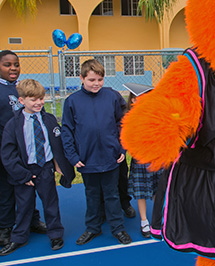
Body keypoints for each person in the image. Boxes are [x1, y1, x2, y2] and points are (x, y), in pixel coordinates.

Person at [61, 59, 132, 246]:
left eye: (100, 79)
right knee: (91, 195)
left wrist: (121, 148)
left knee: (112, 194)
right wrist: (73, 156)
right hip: (87, 160)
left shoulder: (112, 96)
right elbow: (67, 131)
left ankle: (118, 228)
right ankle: (93, 227)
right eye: (92, 79)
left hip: (111, 158)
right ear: (82, 78)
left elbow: (122, 123)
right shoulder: (72, 101)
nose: (96, 84)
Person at [0, 79, 75, 255]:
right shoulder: (13, 124)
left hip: (45, 168)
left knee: (51, 202)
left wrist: (59, 165)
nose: (39, 102)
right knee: (24, 205)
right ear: (21, 101)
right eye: (33, 99)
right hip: (25, 172)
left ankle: (55, 233)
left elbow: (57, 145)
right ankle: (19, 237)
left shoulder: (48, 120)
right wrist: (22, 175)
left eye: (41, 98)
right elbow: (8, 153)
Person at [0, 50, 46, 246]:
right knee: (6, 190)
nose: (13, 68)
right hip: (6, 152)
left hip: (26, 150)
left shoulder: (20, 88)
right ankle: (5, 226)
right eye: (7, 64)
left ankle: (31, 220)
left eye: (16, 64)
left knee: (28, 187)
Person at [123, 83, 161, 238]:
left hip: (156, 159)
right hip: (140, 161)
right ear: (132, 100)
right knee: (141, 192)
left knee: (157, 189)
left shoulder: (155, 115)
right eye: (139, 98)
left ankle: (158, 219)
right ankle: (144, 221)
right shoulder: (129, 118)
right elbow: (127, 139)